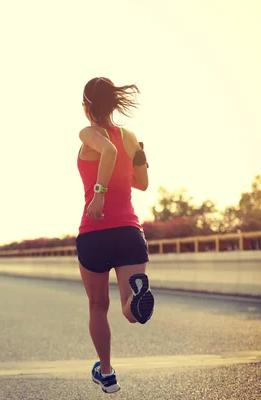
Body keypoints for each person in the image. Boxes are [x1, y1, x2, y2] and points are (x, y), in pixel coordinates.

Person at [76, 77, 154, 394]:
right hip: (129, 232)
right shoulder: (130, 136)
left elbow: (106, 151)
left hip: (95, 232)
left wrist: (99, 193)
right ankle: (136, 296)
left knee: (97, 306)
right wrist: (136, 157)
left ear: (87, 106)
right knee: (129, 311)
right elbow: (142, 182)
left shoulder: (89, 134)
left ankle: (106, 372)